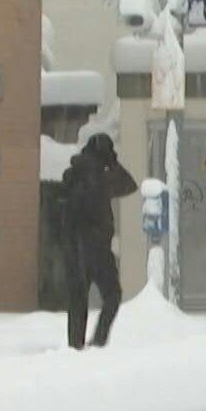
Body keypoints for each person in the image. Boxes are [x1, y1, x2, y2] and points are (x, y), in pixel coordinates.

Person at [58, 133, 138, 349]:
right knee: (113, 294)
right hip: (96, 246)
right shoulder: (99, 176)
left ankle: (75, 346)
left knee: (78, 299)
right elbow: (129, 185)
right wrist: (113, 163)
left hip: (73, 246)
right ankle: (98, 341)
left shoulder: (74, 173)